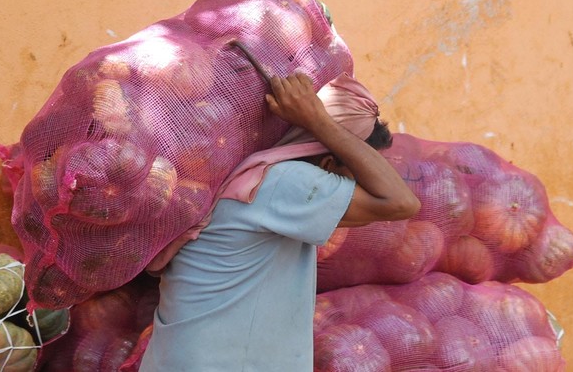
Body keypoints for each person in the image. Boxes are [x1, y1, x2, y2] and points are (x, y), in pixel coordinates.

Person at [139, 71, 421, 371]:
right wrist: (318, 120)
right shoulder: (284, 182)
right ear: (326, 164)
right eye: (357, 176)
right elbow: (401, 202)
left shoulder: (256, 178)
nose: (361, 188)